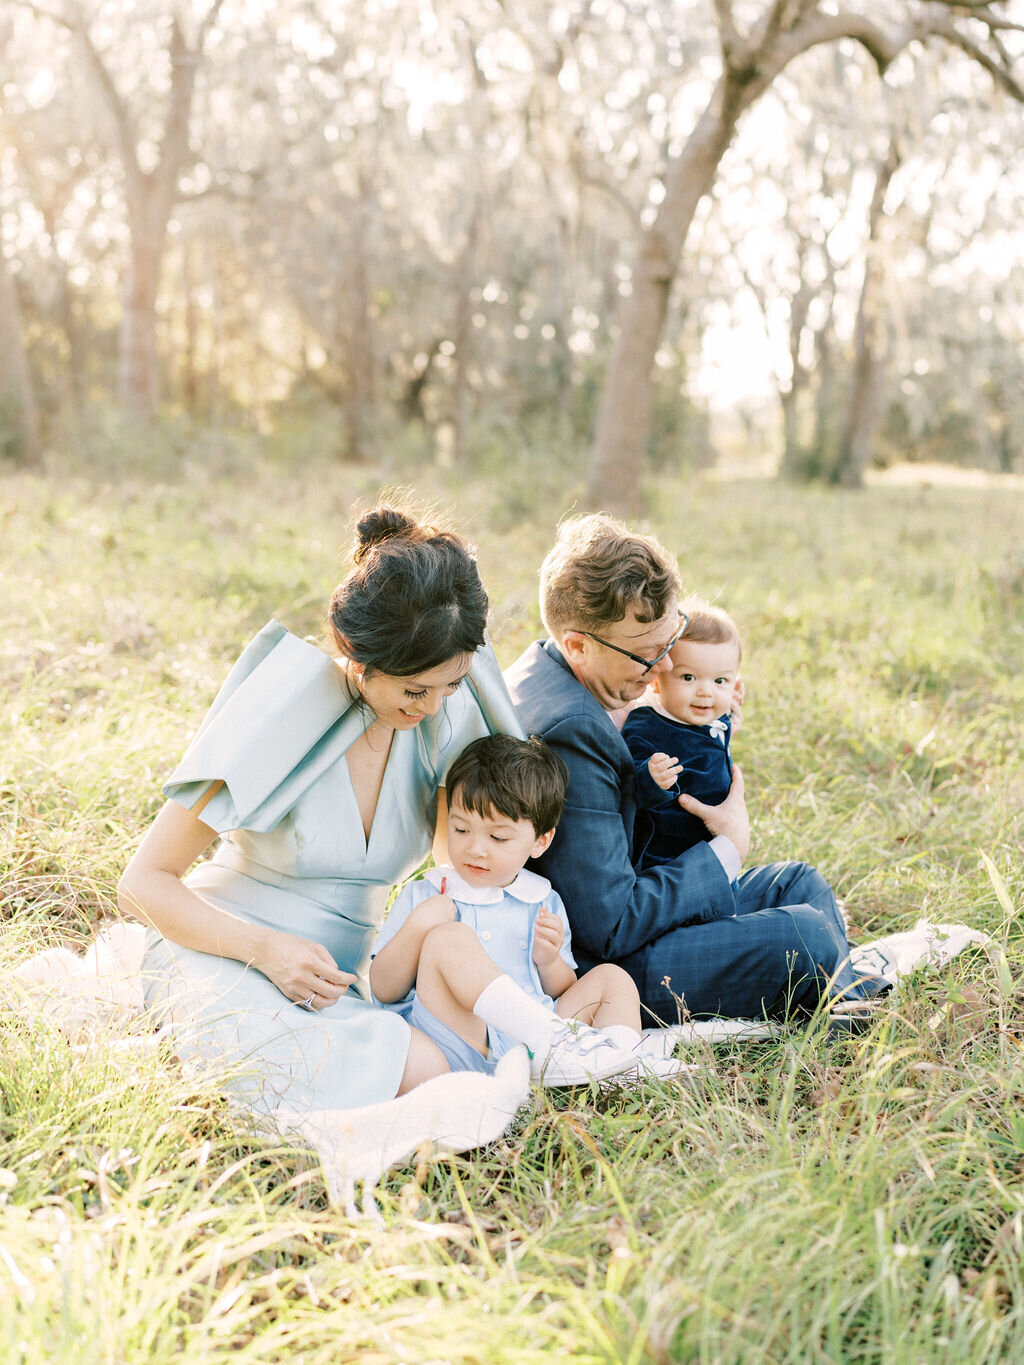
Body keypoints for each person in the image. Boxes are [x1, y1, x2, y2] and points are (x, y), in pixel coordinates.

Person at [117, 504, 525, 1116]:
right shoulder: (282, 711)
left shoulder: (446, 718)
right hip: (221, 945)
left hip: (337, 981)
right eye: (415, 690)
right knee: (266, 1054)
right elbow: (141, 885)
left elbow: (466, 863)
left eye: (452, 685)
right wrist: (265, 950)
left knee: (431, 1072)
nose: (435, 706)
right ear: (358, 656)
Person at [505, 513, 883, 1026]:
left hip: (641, 901)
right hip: (612, 969)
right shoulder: (570, 732)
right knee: (806, 934)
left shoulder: (554, 671)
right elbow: (611, 926)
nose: (664, 667)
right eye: (646, 654)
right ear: (578, 645)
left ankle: (848, 996)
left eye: (670, 639)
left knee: (798, 884)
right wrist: (727, 849)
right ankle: (850, 999)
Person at [369, 734, 691, 1085]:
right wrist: (419, 927)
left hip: (534, 1044)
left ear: (541, 841)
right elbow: (383, 990)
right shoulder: (426, 894)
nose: (475, 849)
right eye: (461, 829)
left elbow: (560, 989)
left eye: (498, 838)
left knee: (611, 978)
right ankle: (559, 1046)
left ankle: (623, 1064)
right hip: (460, 1041)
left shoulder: (540, 899)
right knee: (448, 938)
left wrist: (549, 960)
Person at [622, 597, 741, 867]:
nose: (705, 691)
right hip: (668, 862)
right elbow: (627, 788)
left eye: (720, 680)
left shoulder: (710, 719)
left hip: (713, 851)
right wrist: (650, 778)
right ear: (656, 682)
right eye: (688, 677)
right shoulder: (647, 726)